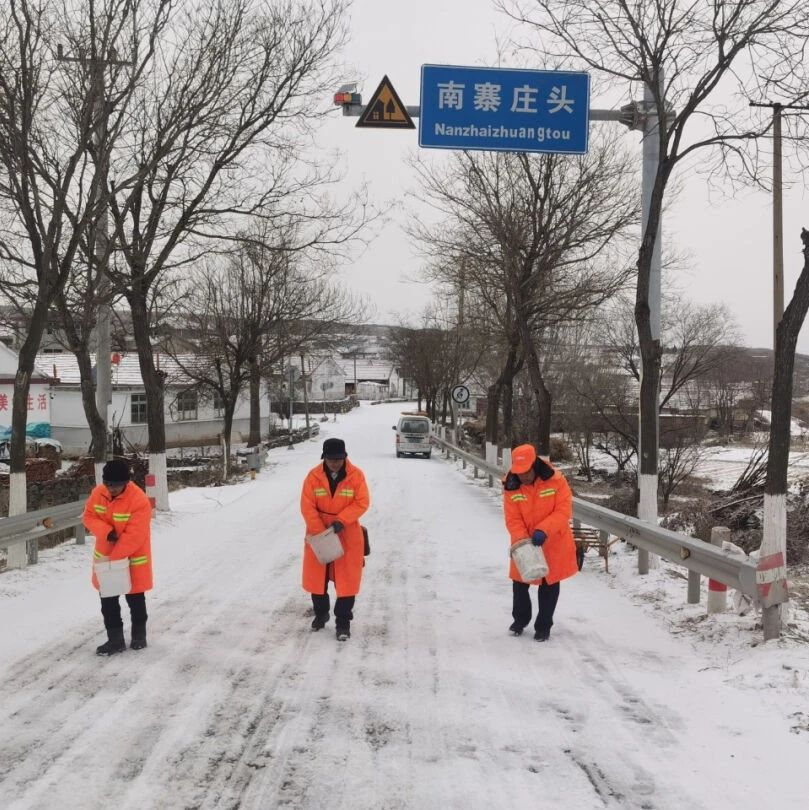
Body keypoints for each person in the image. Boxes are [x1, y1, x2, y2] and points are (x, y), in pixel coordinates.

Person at [502, 443, 578, 641]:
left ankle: (543, 627)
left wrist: (544, 529)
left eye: (526, 472)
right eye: (519, 473)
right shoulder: (511, 484)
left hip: (553, 541)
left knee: (549, 584)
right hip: (524, 543)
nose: (523, 477)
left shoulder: (556, 481)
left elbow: (563, 511)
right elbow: (513, 518)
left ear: (534, 464)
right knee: (519, 584)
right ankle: (520, 620)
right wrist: (522, 540)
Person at [300, 438, 370, 641]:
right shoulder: (313, 476)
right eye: (331, 459)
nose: (335, 463)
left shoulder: (356, 476)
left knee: (347, 581)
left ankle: (343, 623)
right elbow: (307, 506)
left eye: (338, 459)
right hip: (318, 532)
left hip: (347, 533)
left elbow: (362, 502)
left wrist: (342, 521)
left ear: (344, 457)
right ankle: (321, 615)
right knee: (317, 580)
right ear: (324, 458)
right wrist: (321, 531)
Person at [83, 458, 153, 655]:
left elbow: (134, 536)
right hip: (106, 559)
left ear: (126, 482)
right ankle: (115, 640)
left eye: (116, 485)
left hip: (132, 559)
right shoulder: (99, 493)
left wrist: (114, 560)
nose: (111, 489)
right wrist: (106, 532)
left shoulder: (139, 500)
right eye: (108, 484)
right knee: (108, 601)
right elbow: (89, 516)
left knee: (136, 599)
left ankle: (139, 635)